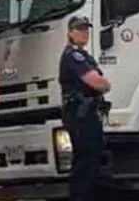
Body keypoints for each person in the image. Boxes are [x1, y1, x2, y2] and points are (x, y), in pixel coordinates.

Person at [58, 16, 111, 201]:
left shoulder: (83, 55)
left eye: (86, 29)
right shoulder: (73, 55)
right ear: (70, 32)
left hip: (88, 114)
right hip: (80, 115)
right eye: (79, 29)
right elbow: (98, 82)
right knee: (85, 164)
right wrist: (104, 84)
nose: (84, 33)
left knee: (91, 162)